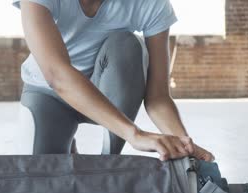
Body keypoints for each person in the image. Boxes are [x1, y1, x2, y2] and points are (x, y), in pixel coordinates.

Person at [13, 0, 214, 161]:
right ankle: (67, 144)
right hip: (49, 93)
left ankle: (108, 162)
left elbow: (158, 97)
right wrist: (135, 134)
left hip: (107, 93)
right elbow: (56, 74)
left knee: (128, 44)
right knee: (40, 180)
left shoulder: (153, 5)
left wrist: (184, 145)